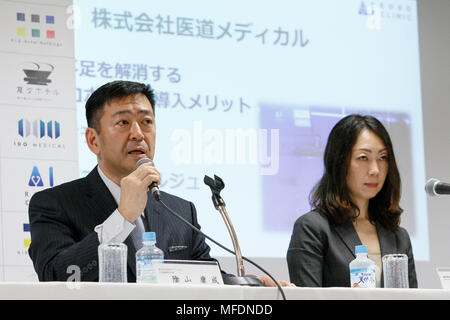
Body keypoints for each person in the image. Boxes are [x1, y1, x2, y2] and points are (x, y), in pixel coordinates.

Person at [28, 80, 291, 287]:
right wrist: (123, 217)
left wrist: (251, 286)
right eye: (123, 122)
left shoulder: (179, 210)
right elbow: (58, 278)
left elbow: (206, 278)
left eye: (147, 121)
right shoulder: (54, 204)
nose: (138, 134)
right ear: (93, 140)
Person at [286, 114, 418, 288]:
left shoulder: (398, 237)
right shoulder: (312, 229)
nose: (375, 170)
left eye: (383, 157)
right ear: (339, 162)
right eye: (363, 157)